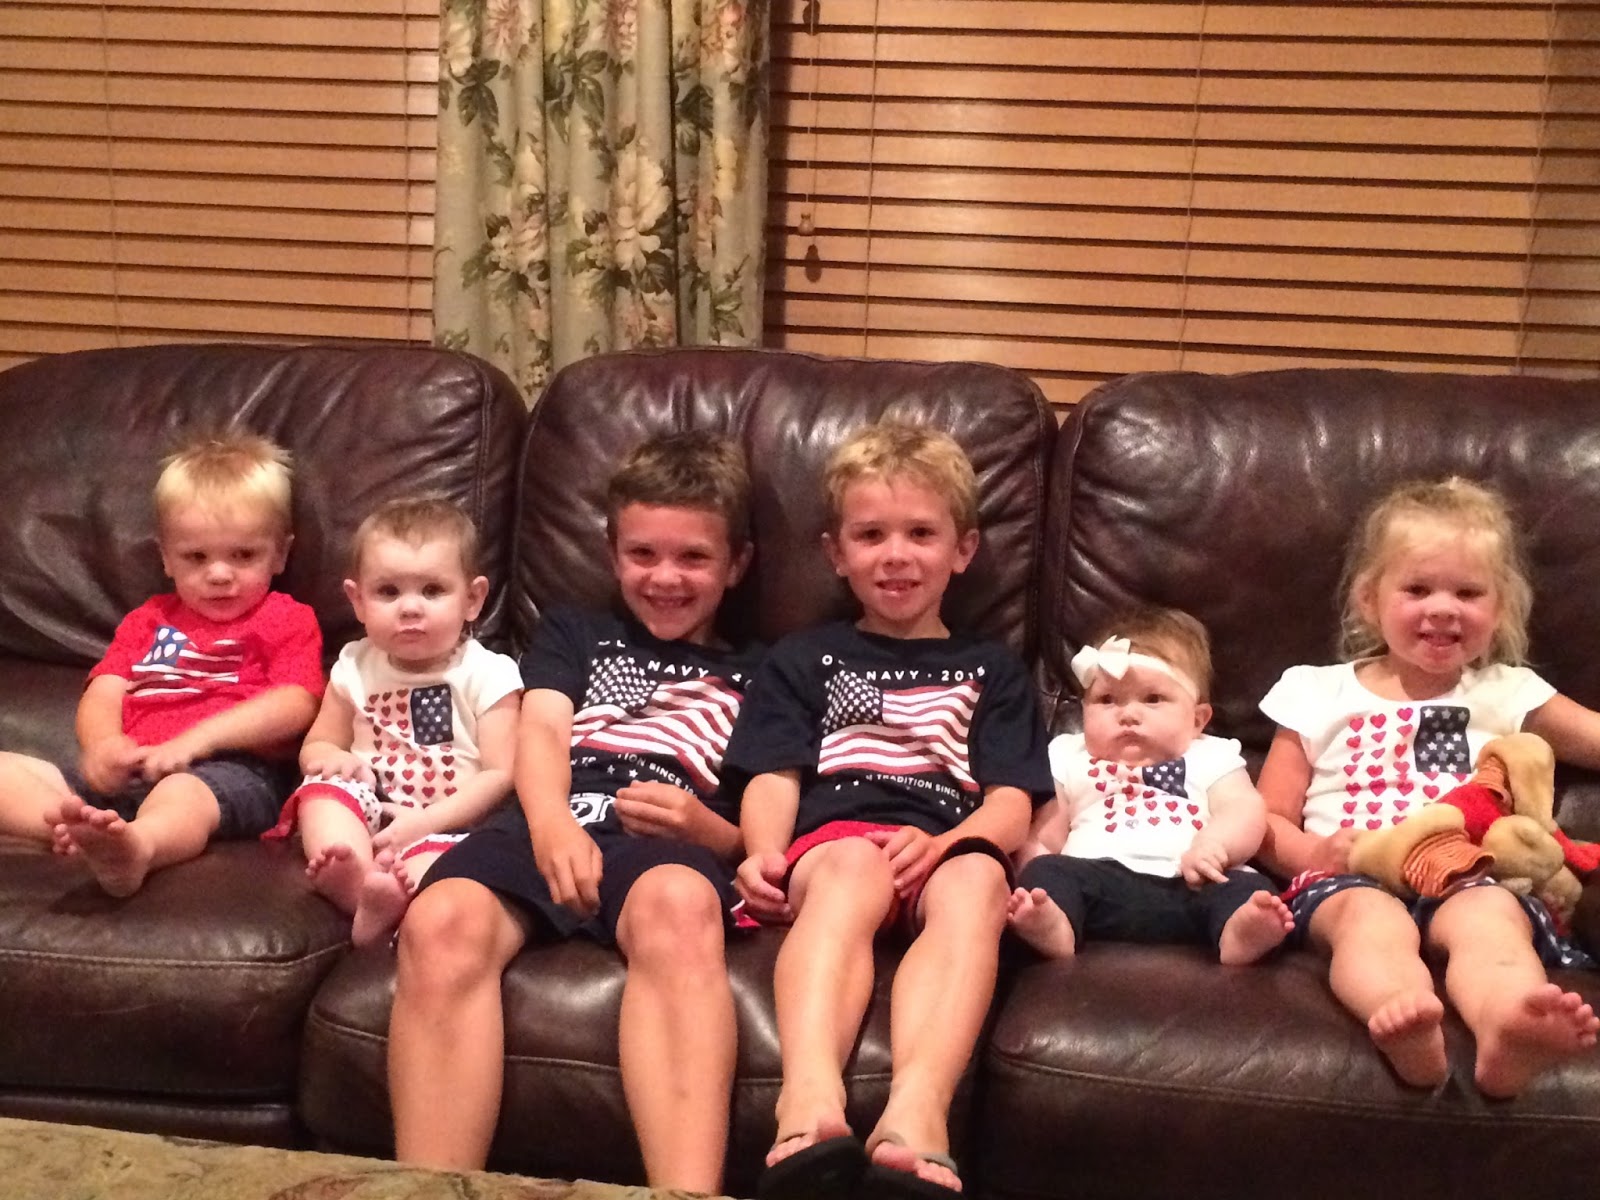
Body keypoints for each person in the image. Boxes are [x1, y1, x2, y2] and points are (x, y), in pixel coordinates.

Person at [385, 431, 757, 1194]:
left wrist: (710, 832)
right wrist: (551, 822)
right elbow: (544, 731)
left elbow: (770, 811)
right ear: (611, 552)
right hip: (544, 813)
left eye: (694, 557)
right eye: (642, 553)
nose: (665, 577)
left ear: (738, 564)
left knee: (680, 906)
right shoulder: (574, 632)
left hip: (663, 838)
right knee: (441, 918)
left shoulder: (764, 670)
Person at [728, 423, 1053, 1200]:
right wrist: (764, 852)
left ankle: (917, 1111)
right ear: (836, 553)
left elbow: (1011, 802)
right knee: (851, 866)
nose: (895, 555)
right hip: (836, 843)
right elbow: (773, 775)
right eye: (871, 535)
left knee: (980, 882)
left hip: (944, 842)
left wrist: (952, 843)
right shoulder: (804, 657)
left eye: (921, 534)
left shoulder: (992, 669)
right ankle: (808, 1100)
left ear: (963, 550)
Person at [1256, 476, 1600, 1097]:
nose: (1443, 608)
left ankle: (1507, 1026)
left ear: (1500, 609)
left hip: (1470, 868)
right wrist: (1312, 853)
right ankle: (1401, 1014)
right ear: (1370, 600)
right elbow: (1266, 819)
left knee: (1492, 923)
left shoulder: (1506, 691)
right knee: (1367, 924)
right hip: (1353, 874)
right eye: (1417, 589)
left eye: (1468, 592)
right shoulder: (1315, 690)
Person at [0, 431, 323, 896]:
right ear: (166, 558)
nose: (219, 574)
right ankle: (76, 830)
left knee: (182, 795)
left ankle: (139, 848)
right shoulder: (148, 620)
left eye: (243, 555)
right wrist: (102, 746)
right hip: (130, 773)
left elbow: (296, 702)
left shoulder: (286, 617)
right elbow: (105, 689)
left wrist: (196, 741)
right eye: (196, 557)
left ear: (280, 554)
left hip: (229, 772)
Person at [260, 496, 522, 947]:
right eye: (388, 592)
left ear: (473, 599)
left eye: (432, 591)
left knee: (453, 867)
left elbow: (501, 773)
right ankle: (357, 882)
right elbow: (317, 745)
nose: (410, 608)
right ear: (357, 601)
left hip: (452, 820)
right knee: (320, 794)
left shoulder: (489, 673)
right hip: (370, 810)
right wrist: (334, 760)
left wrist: (426, 824)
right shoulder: (354, 666)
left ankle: (387, 901)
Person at [1008, 606, 1294, 964]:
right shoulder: (1070, 754)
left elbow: (1244, 808)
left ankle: (1239, 934)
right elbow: (1047, 828)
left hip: (1192, 881)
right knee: (1046, 872)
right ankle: (1054, 926)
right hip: (1097, 880)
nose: (1128, 714)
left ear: (1198, 719)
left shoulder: (1212, 754)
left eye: (1153, 699)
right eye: (1107, 700)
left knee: (1250, 888)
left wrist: (1215, 846)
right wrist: (1034, 868)